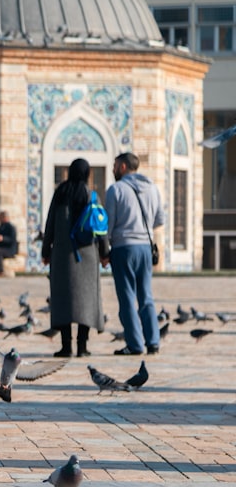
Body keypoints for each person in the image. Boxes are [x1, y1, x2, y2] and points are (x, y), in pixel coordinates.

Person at [42, 158, 106, 358]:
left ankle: (66, 346)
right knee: (86, 300)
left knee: (63, 300)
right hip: (86, 255)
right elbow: (100, 227)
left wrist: (46, 251)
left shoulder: (60, 193)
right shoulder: (90, 195)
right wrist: (104, 253)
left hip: (62, 254)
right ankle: (82, 347)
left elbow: (50, 224)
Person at [103, 152, 165, 356]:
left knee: (127, 297)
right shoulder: (152, 188)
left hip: (123, 248)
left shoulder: (116, 189)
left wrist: (105, 249)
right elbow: (159, 220)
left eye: (114, 166)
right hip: (146, 248)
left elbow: (108, 225)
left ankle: (135, 344)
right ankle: (153, 341)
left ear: (122, 167)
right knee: (146, 295)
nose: (112, 170)